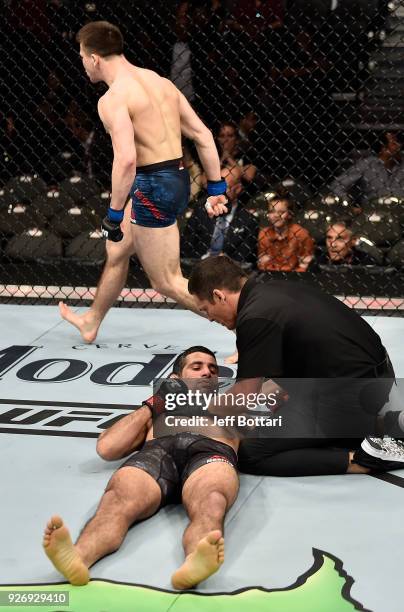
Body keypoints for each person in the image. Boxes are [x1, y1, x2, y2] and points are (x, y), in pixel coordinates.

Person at [58, 21, 228, 343]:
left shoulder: (112, 99)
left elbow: (125, 161)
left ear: (95, 58)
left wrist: (114, 214)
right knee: (118, 250)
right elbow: (203, 136)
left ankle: (246, 330)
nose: (81, 63)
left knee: (166, 280)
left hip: (152, 186)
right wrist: (216, 188)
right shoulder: (159, 82)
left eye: (81, 56)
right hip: (173, 177)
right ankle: (92, 320)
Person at [43, 346, 239, 590]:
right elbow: (108, 447)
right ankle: (78, 557)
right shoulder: (157, 409)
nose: (207, 372)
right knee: (117, 500)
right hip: (158, 455)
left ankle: (194, 563)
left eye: (213, 368)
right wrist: (154, 404)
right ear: (174, 379)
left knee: (211, 501)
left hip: (209, 454)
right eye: (196, 367)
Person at [187, 255, 404, 476]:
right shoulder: (271, 291)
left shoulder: (255, 317)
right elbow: (277, 382)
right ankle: (373, 424)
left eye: (205, 309)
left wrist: (201, 411)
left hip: (353, 393)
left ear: (219, 295)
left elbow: (246, 395)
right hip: (371, 381)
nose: (210, 319)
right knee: (270, 412)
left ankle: (363, 460)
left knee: (252, 452)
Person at [181, 165, 259, 265]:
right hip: (198, 266)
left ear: (238, 189)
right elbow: (186, 246)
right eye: (216, 186)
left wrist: (225, 262)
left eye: (224, 187)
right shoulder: (201, 211)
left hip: (229, 271)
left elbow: (245, 258)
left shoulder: (249, 220)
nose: (218, 191)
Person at [328, 131, 404, 204]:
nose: (399, 147)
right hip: (373, 209)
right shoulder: (368, 163)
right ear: (383, 149)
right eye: (394, 144)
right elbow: (337, 184)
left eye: (399, 143)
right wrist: (351, 203)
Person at [257, 192, 315, 272]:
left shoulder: (301, 234)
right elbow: (263, 265)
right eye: (271, 211)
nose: (276, 215)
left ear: (290, 214)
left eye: (281, 212)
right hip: (270, 278)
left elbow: (304, 266)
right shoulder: (264, 233)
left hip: (295, 279)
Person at [312, 219, 379, 268]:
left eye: (340, 239)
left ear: (353, 241)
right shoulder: (319, 261)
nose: (332, 245)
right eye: (329, 238)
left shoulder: (366, 262)